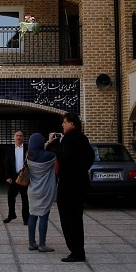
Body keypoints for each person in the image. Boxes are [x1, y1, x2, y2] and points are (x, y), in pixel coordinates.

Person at [49, 112, 94, 262]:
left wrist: (57, 145)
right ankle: (79, 250)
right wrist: (81, 170)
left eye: (64, 122)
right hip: (80, 184)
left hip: (68, 186)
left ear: (71, 123)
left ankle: (75, 251)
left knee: (68, 219)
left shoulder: (68, 139)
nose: (62, 125)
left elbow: (63, 159)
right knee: (77, 218)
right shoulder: (82, 138)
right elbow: (90, 157)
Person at [25, 133, 57, 252]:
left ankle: (32, 243)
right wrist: (52, 142)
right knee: (43, 215)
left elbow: (38, 151)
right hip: (45, 190)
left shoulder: (28, 155)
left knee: (32, 215)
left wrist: (48, 142)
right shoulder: (50, 156)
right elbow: (54, 155)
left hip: (32, 190)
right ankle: (42, 244)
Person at [3, 130, 29, 224]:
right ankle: (11, 215)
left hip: (24, 176)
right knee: (11, 196)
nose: (18, 137)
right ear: (14, 137)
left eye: (20, 136)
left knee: (25, 198)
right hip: (13, 177)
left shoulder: (27, 148)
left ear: (23, 137)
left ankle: (26, 218)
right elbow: (7, 164)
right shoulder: (10, 149)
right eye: (17, 135)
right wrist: (8, 176)